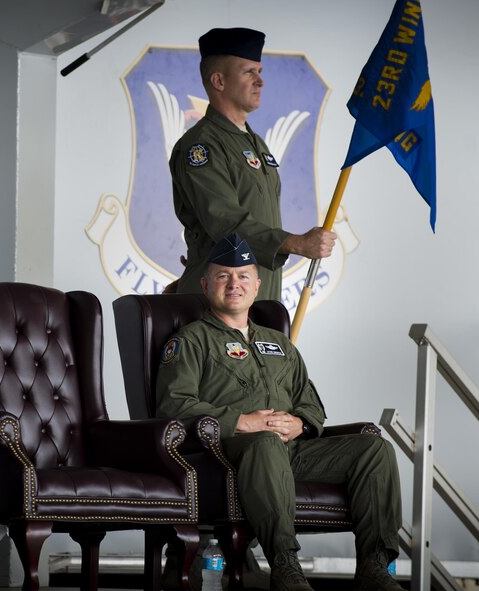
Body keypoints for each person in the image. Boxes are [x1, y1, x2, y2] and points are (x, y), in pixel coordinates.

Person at [155, 232, 404, 591]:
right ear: (206, 284)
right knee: (265, 442)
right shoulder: (190, 341)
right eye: (224, 276)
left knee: (374, 450)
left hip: (292, 451)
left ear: (257, 286)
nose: (234, 284)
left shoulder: (280, 344)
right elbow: (174, 404)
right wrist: (243, 422)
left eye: (243, 277)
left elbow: (311, 402)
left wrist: (300, 423)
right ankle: (286, 566)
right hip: (227, 453)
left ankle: (374, 566)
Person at [169, 27, 337, 301]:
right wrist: (296, 243)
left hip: (259, 295)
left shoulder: (253, 142)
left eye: (260, 72)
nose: (260, 81)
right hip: (220, 305)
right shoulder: (201, 146)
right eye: (249, 72)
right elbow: (224, 223)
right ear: (219, 81)